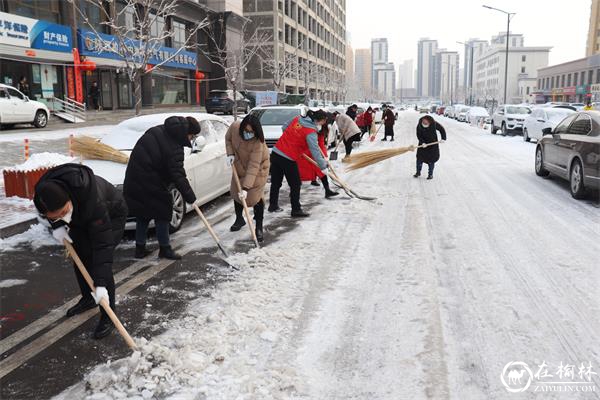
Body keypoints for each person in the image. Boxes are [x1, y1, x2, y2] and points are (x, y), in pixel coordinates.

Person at [34, 164, 128, 339]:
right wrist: (57, 225)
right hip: (81, 216)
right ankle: (88, 298)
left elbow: (103, 249)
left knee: (97, 262)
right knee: (80, 255)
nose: (61, 217)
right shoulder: (45, 191)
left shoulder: (94, 201)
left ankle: (108, 314)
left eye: (63, 213)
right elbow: (54, 213)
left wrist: (99, 284)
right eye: (55, 216)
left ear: (69, 199)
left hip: (111, 216)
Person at [124, 116, 200, 260]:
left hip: (134, 177)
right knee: (163, 213)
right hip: (149, 180)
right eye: (192, 136)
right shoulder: (175, 146)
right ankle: (165, 249)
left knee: (143, 214)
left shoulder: (160, 130)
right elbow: (178, 174)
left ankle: (139, 249)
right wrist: (190, 197)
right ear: (186, 132)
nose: (191, 139)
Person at [269, 109, 329, 217]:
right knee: (296, 184)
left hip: (276, 152)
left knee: (276, 182)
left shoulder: (297, 119)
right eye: (324, 122)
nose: (323, 124)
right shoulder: (311, 132)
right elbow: (315, 150)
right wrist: (323, 166)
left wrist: (291, 140)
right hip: (288, 158)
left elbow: (284, 127)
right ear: (321, 120)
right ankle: (296, 209)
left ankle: (273, 205)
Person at [225, 114, 270, 242]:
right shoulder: (234, 127)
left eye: (251, 132)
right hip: (238, 164)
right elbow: (228, 139)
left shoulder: (258, 143)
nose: (247, 134)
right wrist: (230, 154)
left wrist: (246, 187)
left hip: (259, 168)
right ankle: (239, 219)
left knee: (254, 197)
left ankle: (259, 227)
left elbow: (254, 166)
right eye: (245, 130)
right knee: (236, 193)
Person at [296, 119, 339, 199]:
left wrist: (325, 156)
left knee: (321, 171)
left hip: (315, 153)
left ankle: (327, 190)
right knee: (299, 173)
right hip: (306, 153)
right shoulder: (309, 127)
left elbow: (321, 144)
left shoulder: (322, 130)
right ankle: (294, 193)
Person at [414, 115, 447, 180]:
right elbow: (418, 135)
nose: (424, 123)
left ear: (429, 121)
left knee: (431, 161)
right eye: (423, 121)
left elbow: (442, 129)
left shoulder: (434, 124)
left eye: (426, 122)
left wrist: (443, 138)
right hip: (423, 145)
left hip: (432, 145)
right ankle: (418, 172)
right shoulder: (419, 125)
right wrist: (422, 142)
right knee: (419, 159)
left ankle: (430, 174)